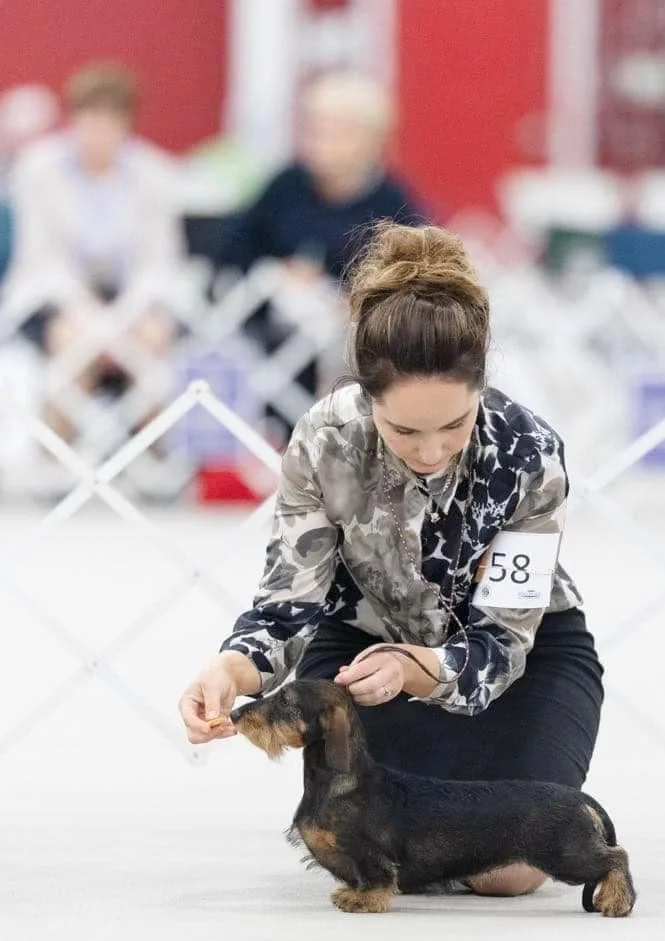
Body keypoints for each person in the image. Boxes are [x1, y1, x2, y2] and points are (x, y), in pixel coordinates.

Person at [179, 222, 604, 897]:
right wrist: (232, 668)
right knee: (366, 840)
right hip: (359, 655)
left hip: (517, 659)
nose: (431, 452)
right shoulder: (323, 439)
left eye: (455, 425)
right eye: (404, 430)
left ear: (481, 385)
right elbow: (289, 602)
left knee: (508, 869)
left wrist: (415, 668)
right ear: (366, 395)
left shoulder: (528, 451)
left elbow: (503, 639)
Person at [212, 69, 424, 444]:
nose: (318, 141)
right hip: (275, 333)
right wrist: (278, 271)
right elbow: (232, 251)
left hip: (354, 341)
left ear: (370, 138)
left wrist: (354, 299)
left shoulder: (394, 204)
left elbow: (416, 278)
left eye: (336, 130)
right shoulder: (284, 187)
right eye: (313, 127)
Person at [0, 62, 185, 443]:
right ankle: (60, 452)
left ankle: (152, 455)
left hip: (133, 300)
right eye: (89, 119)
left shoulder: (155, 173)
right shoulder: (38, 170)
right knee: (69, 339)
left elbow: (159, 261)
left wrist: (120, 317)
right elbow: (40, 260)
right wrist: (90, 316)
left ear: (127, 123)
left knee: (154, 337)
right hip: (56, 299)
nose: (98, 132)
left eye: (109, 121)